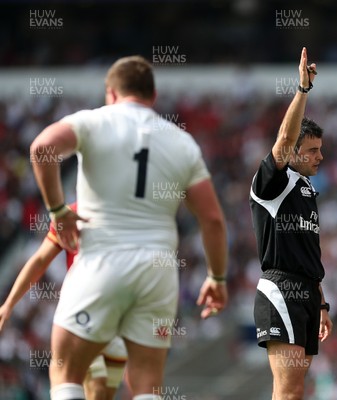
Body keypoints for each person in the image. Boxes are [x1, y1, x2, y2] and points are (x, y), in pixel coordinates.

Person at [29, 55, 228, 400]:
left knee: (65, 369)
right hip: (159, 271)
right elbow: (212, 219)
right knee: (147, 382)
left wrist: (58, 210)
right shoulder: (182, 143)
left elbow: (42, 148)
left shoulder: (92, 122)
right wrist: (217, 278)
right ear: (153, 96)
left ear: (111, 92)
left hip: (103, 259)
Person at [249, 47, 332, 400]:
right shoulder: (273, 182)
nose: (320, 156)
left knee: (297, 391)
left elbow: (308, 254)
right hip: (280, 289)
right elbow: (283, 141)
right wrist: (302, 91)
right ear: (295, 152)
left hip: (308, 293)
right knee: (288, 391)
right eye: (312, 150)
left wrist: (322, 302)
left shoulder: (308, 189)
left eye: (320, 148)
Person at [0, 203, 129, 400]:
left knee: (101, 392)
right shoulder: (72, 214)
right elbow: (40, 260)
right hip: (83, 315)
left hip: (117, 319)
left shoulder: (134, 215)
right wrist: (9, 304)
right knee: (82, 381)